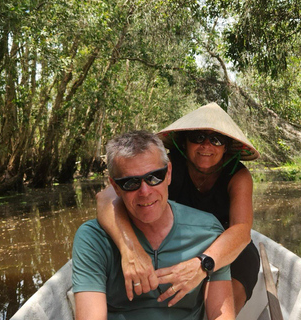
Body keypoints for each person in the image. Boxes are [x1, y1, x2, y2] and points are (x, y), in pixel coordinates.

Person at [96, 102, 260, 315]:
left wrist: (202, 264)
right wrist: (131, 249)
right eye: (198, 137)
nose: (206, 146)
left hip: (225, 246)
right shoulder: (167, 167)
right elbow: (105, 198)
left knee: (238, 279)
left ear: (226, 147)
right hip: (176, 240)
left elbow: (241, 230)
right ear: (185, 142)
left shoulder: (238, 175)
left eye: (216, 140)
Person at [72, 130, 235, 320]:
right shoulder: (93, 239)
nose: (144, 191)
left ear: (169, 174)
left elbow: (221, 315)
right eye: (130, 182)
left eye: (154, 177)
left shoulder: (208, 231)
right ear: (115, 186)